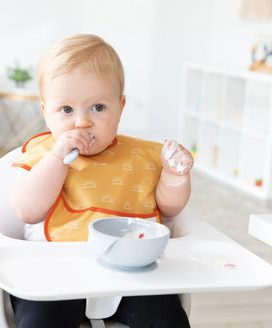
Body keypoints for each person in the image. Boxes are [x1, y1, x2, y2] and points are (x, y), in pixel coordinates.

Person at [10, 34, 194, 328]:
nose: (82, 122)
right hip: (54, 274)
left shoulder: (142, 157)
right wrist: (57, 158)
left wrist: (174, 176)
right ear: (46, 113)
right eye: (66, 110)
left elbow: (168, 210)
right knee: (39, 321)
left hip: (132, 274)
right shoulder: (44, 155)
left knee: (167, 318)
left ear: (120, 107)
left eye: (98, 107)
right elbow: (27, 211)